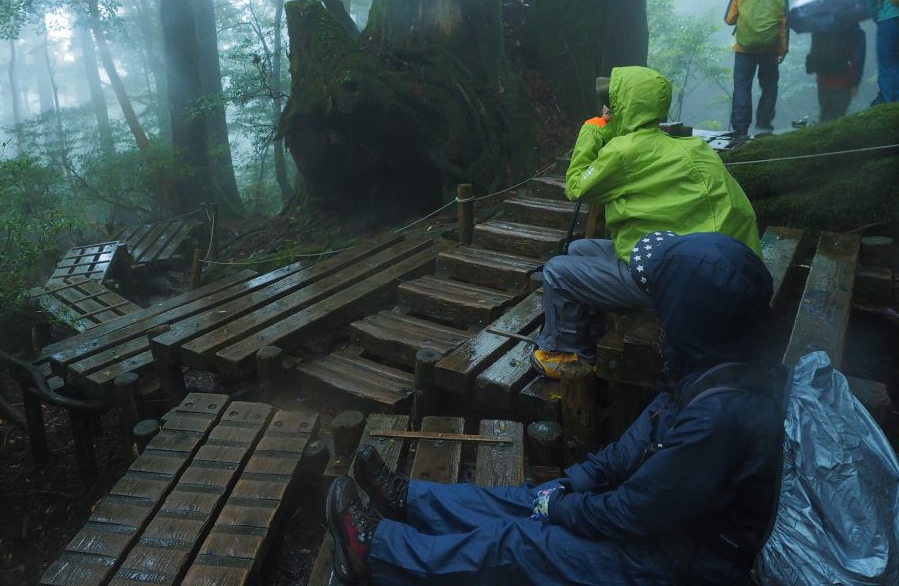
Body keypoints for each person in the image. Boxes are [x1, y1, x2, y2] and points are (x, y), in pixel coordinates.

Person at [325, 232, 782, 586]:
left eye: (665, 306)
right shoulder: (706, 367)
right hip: (659, 531)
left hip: (673, 564)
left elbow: (633, 515)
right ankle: (412, 501)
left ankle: (377, 553)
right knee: (530, 499)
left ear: (694, 314)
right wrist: (568, 487)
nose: (658, 319)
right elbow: (626, 455)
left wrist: (561, 508)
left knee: (518, 542)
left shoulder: (722, 416)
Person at [530, 65, 760, 380]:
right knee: (581, 248)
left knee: (557, 271)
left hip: (682, 283)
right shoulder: (690, 147)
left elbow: (577, 187)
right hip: (719, 272)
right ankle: (590, 326)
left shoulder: (624, 152)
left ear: (624, 107)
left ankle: (567, 352)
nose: (605, 108)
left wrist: (594, 131)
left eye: (611, 102)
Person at [724, 0, 790, 138]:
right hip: (770, 47)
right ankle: (763, 125)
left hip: (744, 48)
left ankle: (740, 129)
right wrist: (783, 49)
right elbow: (784, 21)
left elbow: (729, 19)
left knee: (742, 86)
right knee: (769, 85)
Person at [805, 25, 867, 122]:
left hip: (822, 82)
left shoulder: (818, 29)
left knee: (825, 116)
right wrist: (856, 82)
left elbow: (814, 54)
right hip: (843, 84)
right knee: (838, 120)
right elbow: (857, 60)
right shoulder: (851, 31)